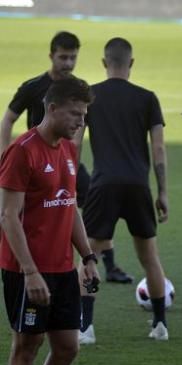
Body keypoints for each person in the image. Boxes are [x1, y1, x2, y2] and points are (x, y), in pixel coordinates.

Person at [1, 77, 99, 365]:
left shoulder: (70, 150)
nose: (80, 121)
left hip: (62, 268)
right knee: (27, 347)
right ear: (52, 108)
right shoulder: (22, 151)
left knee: (67, 347)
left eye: (84, 115)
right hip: (27, 270)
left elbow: (69, 205)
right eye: (75, 114)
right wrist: (30, 272)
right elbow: (8, 217)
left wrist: (87, 256)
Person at [1, 30, 132, 284]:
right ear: (52, 56)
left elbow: (80, 132)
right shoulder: (33, 87)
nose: (68, 64)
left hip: (64, 158)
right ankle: (22, 264)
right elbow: (8, 119)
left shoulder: (77, 89)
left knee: (88, 205)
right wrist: (4, 154)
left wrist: (72, 154)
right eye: (63, 57)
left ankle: (105, 262)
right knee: (20, 210)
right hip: (33, 161)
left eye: (73, 58)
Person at [78, 37, 170, 345]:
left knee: (89, 257)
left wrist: (68, 183)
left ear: (105, 63)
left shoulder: (89, 96)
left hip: (102, 185)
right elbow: (158, 150)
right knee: (150, 258)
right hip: (138, 185)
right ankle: (160, 326)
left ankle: (86, 327)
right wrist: (163, 192)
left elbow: (74, 144)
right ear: (131, 63)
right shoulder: (147, 98)